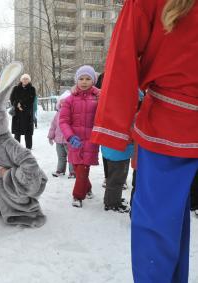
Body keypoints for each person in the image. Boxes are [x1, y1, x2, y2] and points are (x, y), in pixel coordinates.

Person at [90, 0, 198, 281]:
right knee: (169, 226)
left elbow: (124, 56)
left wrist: (113, 126)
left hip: (169, 130)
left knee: (158, 231)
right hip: (172, 125)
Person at [0, 62, 47, 227]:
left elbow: (30, 164)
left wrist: (9, 174)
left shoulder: (8, 144)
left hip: (29, 182)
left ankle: (24, 210)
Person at [59, 65, 99, 208]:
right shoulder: (69, 100)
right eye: (81, 78)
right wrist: (70, 137)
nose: (84, 81)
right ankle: (87, 188)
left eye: (88, 78)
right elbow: (63, 121)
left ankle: (77, 196)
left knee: (83, 169)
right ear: (76, 80)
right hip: (74, 141)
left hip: (90, 141)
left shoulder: (98, 97)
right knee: (77, 168)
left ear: (93, 80)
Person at [47, 90, 75, 178]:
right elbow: (53, 126)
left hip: (69, 140)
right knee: (61, 157)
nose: (64, 104)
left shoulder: (73, 114)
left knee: (71, 157)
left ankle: (73, 172)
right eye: (62, 102)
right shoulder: (57, 114)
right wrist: (50, 137)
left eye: (66, 102)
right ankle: (60, 170)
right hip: (59, 140)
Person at [10, 74, 36, 149]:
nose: (25, 80)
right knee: (17, 132)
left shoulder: (32, 89)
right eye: (24, 79)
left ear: (29, 80)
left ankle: (28, 147)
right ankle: (17, 147)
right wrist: (17, 105)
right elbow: (12, 98)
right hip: (17, 113)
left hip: (27, 113)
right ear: (21, 80)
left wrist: (22, 105)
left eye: (27, 79)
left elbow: (31, 100)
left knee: (28, 132)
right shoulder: (16, 88)